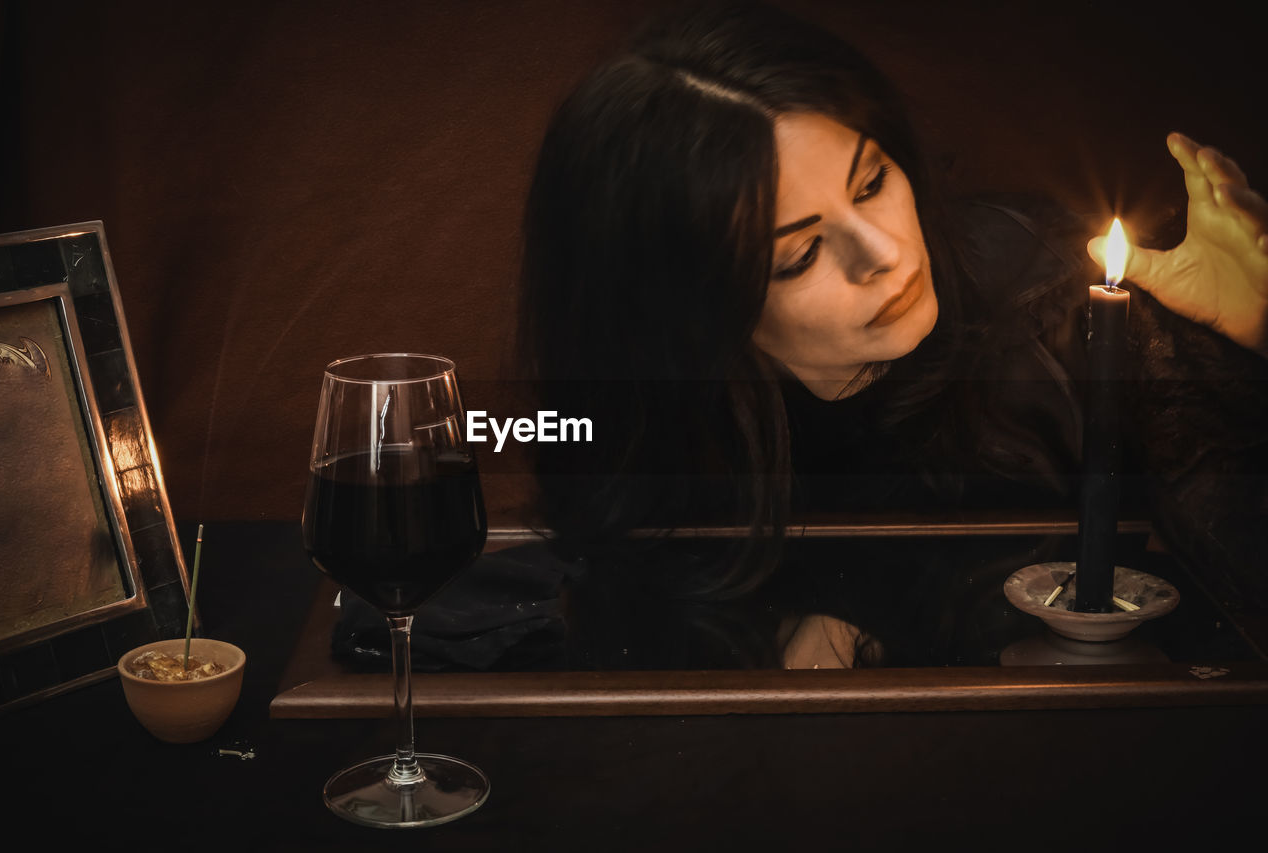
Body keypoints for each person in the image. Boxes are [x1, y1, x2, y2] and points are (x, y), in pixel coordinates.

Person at [517, 0, 1268, 602]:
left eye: (872, 182)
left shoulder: (1067, 299)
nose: (885, 255)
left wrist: (1253, 351)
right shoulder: (643, 422)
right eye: (800, 253)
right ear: (685, 310)